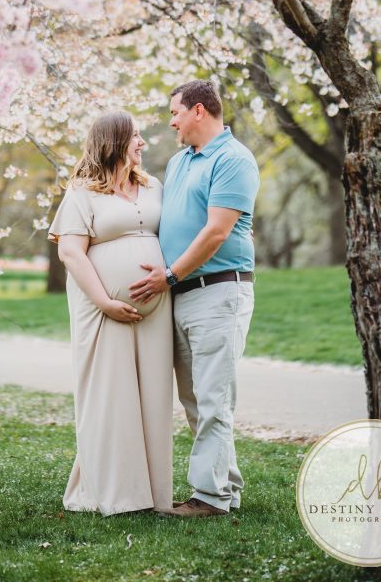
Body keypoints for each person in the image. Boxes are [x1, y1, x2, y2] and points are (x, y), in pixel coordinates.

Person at [130, 79, 260, 518]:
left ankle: (210, 498)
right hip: (181, 294)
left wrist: (169, 274)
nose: (172, 121)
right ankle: (224, 489)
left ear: (199, 111)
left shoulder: (234, 159)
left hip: (219, 290)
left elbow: (217, 231)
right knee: (197, 400)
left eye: (176, 112)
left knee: (213, 398)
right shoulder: (181, 161)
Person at [48, 110, 173, 515]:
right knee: (110, 395)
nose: (142, 143)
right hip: (100, 311)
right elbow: (70, 250)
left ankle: (152, 493)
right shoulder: (83, 192)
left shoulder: (153, 186)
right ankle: (115, 492)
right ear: (115, 142)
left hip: (156, 308)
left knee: (153, 396)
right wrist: (105, 301)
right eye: (135, 136)